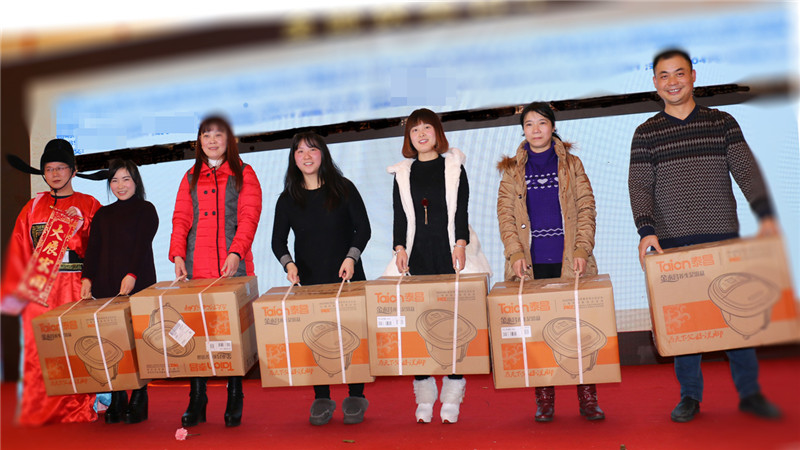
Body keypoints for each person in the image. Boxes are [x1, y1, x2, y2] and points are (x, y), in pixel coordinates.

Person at [628, 48, 782, 423]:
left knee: (738, 317)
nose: (673, 82)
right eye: (664, 75)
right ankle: (690, 396)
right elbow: (640, 186)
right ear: (655, 83)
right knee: (684, 322)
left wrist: (766, 215)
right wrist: (646, 231)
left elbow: (746, 170)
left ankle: (750, 392)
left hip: (722, 237)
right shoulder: (646, 133)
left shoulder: (722, 122)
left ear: (693, 76)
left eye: (679, 73)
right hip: (672, 243)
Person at [496, 101, 605, 422]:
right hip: (531, 265)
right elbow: (505, 216)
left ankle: (587, 397)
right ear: (523, 130)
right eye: (529, 124)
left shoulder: (572, 164)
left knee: (580, 330)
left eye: (542, 123)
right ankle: (544, 399)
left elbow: (586, 207)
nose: (536, 130)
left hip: (570, 261)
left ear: (553, 127)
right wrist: (516, 253)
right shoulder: (512, 170)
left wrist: (582, 250)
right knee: (538, 333)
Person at [385, 108, 491, 424]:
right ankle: (424, 395)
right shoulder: (402, 173)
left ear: (437, 133)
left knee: (454, 324)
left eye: (427, 128)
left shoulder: (454, 166)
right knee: (418, 325)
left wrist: (460, 244)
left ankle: (453, 395)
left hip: (450, 253)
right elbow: (399, 215)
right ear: (409, 138)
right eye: (414, 130)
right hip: (416, 255)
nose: (421, 134)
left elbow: (461, 210)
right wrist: (399, 248)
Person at [271, 131, 372, 426]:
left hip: (348, 275)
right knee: (317, 337)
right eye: (300, 151)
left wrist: (351, 257)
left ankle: (356, 395)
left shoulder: (343, 188)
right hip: (311, 280)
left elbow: (363, 229)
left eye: (312, 150)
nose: (306, 156)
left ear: (323, 154)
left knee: (351, 335)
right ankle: (322, 397)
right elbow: (278, 242)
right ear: (293, 159)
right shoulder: (288, 199)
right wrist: (289, 265)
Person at [1, 139, 103, 425]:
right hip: (40, 290)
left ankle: (80, 406)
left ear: (73, 170)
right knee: (38, 350)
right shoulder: (33, 207)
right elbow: (20, 251)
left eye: (61, 168)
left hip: (76, 288)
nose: (55, 174)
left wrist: (78, 227)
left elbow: (99, 250)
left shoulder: (90, 204)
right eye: (49, 169)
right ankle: (41, 407)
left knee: (77, 347)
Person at [169, 116, 263, 427]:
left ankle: (235, 394)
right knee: (194, 333)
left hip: (233, 267)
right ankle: (198, 397)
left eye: (218, 135)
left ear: (230, 140)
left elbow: (249, 216)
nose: (212, 141)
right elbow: (181, 218)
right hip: (196, 268)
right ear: (199, 141)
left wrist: (236, 252)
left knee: (230, 333)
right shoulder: (190, 176)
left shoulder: (244, 173)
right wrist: (178, 254)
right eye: (206, 135)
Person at [80, 159, 157, 424]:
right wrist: (87, 278)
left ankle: (139, 397)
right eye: (114, 180)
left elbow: (141, 246)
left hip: (137, 284)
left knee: (136, 343)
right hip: (106, 287)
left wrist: (132, 274)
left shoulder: (146, 210)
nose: (120, 185)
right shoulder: (103, 214)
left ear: (136, 182)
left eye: (126, 179)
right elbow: (93, 249)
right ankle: (117, 395)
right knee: (111, 343)